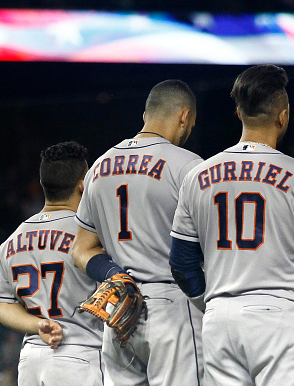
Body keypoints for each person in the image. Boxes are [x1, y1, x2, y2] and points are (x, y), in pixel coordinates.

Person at [169, 64, 294, 385]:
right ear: (283, 116)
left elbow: (181, 264)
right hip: (277, 315)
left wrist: (209, 301)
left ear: (239, 112)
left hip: (219, 314)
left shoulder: (197, 176)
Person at [71, 80, 203, 385]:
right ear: (184, 117)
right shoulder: (188, 165)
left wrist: (115, 274)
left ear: (146, 115)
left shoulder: (99, 167)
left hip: (118, 307)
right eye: (190, 124)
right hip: (173, 306)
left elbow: (81, 249)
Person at [0, 141, 103, 386]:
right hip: (81, 355)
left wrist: (39, 324)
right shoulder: (92, 234)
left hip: (32, 359)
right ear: (84, 184)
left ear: (42, 184)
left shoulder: (12, 239)